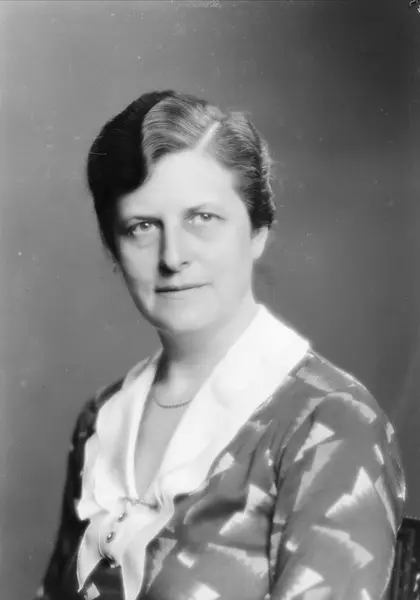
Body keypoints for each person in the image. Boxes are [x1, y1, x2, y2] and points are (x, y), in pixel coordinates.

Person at [34, 90, 406, 600]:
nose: (172, 256)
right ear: (113, 248)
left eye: (202, 218)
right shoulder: (101, 420)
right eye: (143, 227)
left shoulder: (330, 422)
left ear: (258, 231)